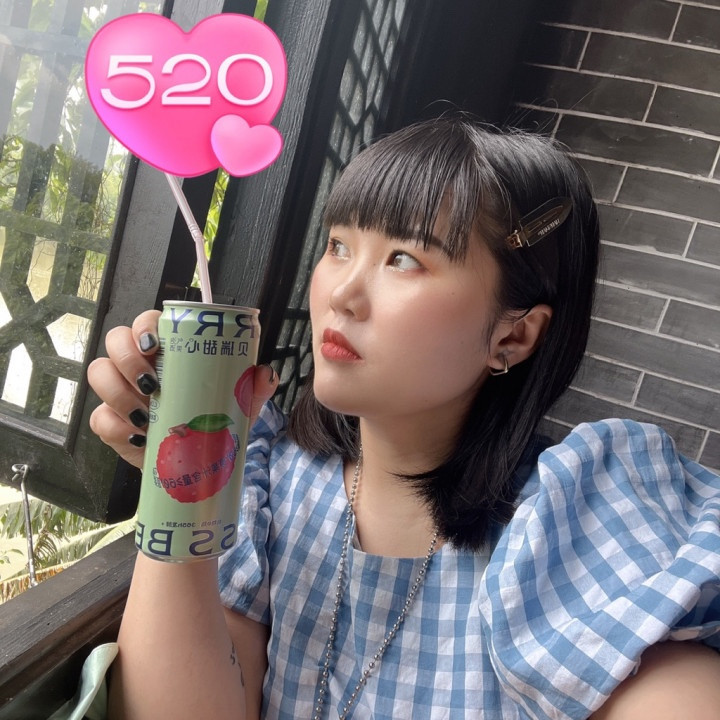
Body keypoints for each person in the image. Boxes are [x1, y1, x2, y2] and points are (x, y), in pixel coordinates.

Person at [88, 117, 720, 720]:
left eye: (403, 259)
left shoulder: (570, 521)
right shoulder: (273, 483)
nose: (341, 294)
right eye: (339, 245)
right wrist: (181, 495)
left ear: (514, 335)